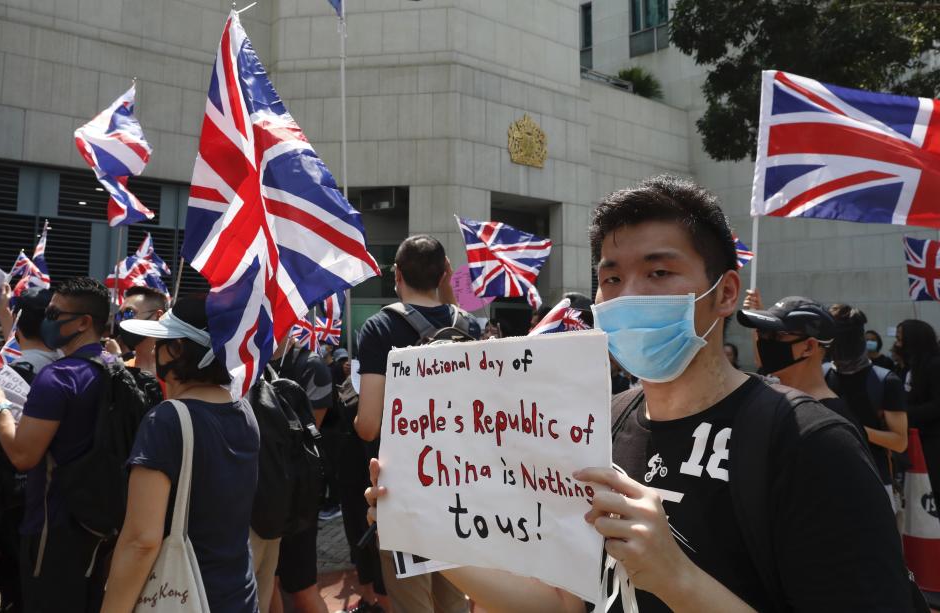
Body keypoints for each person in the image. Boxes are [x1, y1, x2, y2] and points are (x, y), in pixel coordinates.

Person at [367, 175, 914, 611]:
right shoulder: (597, 426)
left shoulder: (809, 445)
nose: (628, 295)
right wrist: (425, 528)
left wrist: (678, 581)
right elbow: (562, 604)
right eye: (611, 279)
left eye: (658, 272)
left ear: (724, 294)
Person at [101, 295, 260, 612]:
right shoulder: (244, 410)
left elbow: (141, 541)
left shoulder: (166, 420)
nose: (155, 349)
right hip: (238, 593)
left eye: (162, 341)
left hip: (181, 597)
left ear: (175, 351)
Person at [356, 235, 477, 613]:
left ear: (396, 275)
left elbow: (369, 427)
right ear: (445, 274)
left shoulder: (379, 328)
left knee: (413, 604)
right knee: (456, 599)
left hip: (405, 490)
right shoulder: (470, 327)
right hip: (461, 485)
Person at [0, 277, 114, 612]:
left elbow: (23, 455)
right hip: (102, 521)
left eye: (55, 313)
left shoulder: (58, 378)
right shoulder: (116, 368)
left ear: (84, 322)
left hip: (52, 529)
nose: (47, 320)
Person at [269, 336, 333, 613]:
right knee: (267, 580)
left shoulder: (311, 366)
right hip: (262, 489)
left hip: (297, 493)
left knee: (302, 587)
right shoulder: (248, 359)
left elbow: (308, 435)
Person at [737, 294, 862, 431]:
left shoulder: (834, 424)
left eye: (778, 335)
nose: (765, 342)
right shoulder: (770, 400)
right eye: (763, 333)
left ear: (808, 347)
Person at [826, 304, 908, 510]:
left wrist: (854, 429)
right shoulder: (821, 374)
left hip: (875, 480)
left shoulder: (885, 380)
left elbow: (899, 442)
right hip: (826, 480)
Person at [332, 348, 389, 613]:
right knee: (359, 538)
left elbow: (366, 427)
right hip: (352, 475)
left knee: (379, 546)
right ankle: (368, 598)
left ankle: (382, 601)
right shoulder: (348, 385)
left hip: (377, 473)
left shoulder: (390, 382)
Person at [896, 319, 940, 518]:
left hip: (933, 442)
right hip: (915, 441)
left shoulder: (934, 365)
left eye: (901, 339)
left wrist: (903, 414)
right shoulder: (908, 367)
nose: (897, 344)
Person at [114, 285, 168, 404]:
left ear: (158, 316)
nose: (122, 321)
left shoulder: (176, 375)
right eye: (120, 316)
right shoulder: (122, 369)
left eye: (129, 313)